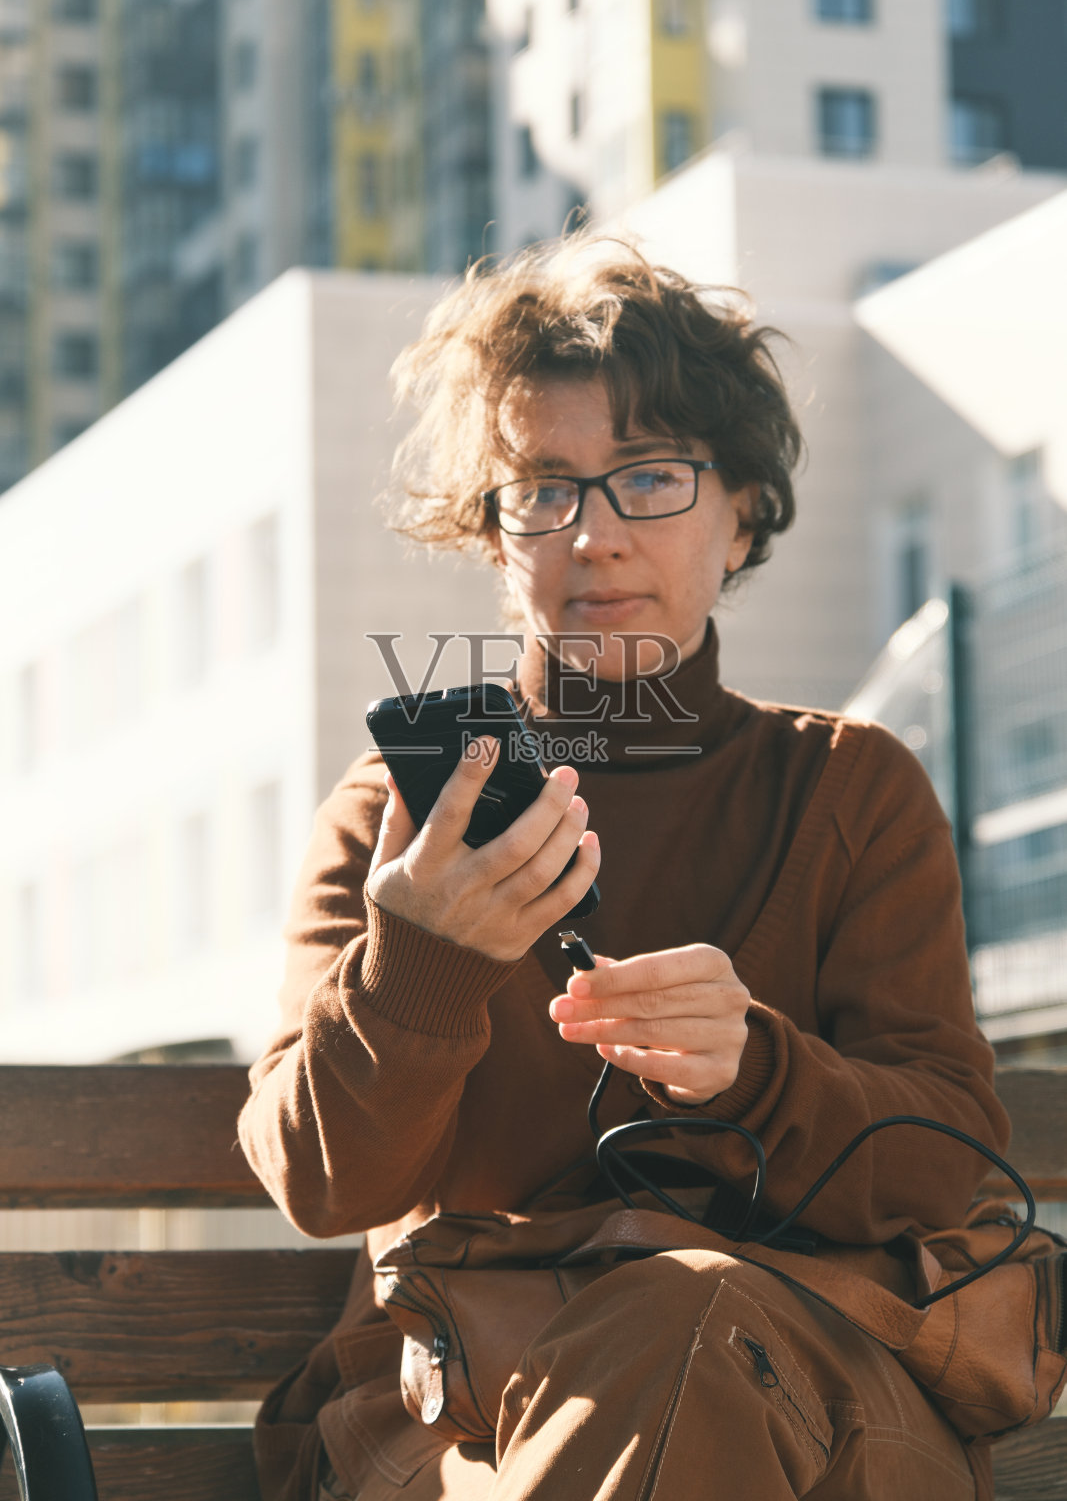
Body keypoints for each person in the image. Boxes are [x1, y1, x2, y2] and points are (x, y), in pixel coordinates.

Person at [237, 235, 1009, 1501]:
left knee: (680, 1321)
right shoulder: (400, 817)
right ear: (495, 536)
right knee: (665, 1336)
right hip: (468, 1404)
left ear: (742, 508)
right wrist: (419, 964)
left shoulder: (846, 790)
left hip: (808, 1379)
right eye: (542, 488)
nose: (589, 536)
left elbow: (947, 1163)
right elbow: (323, 1183)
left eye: (646, 477)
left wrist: (759, 1071)